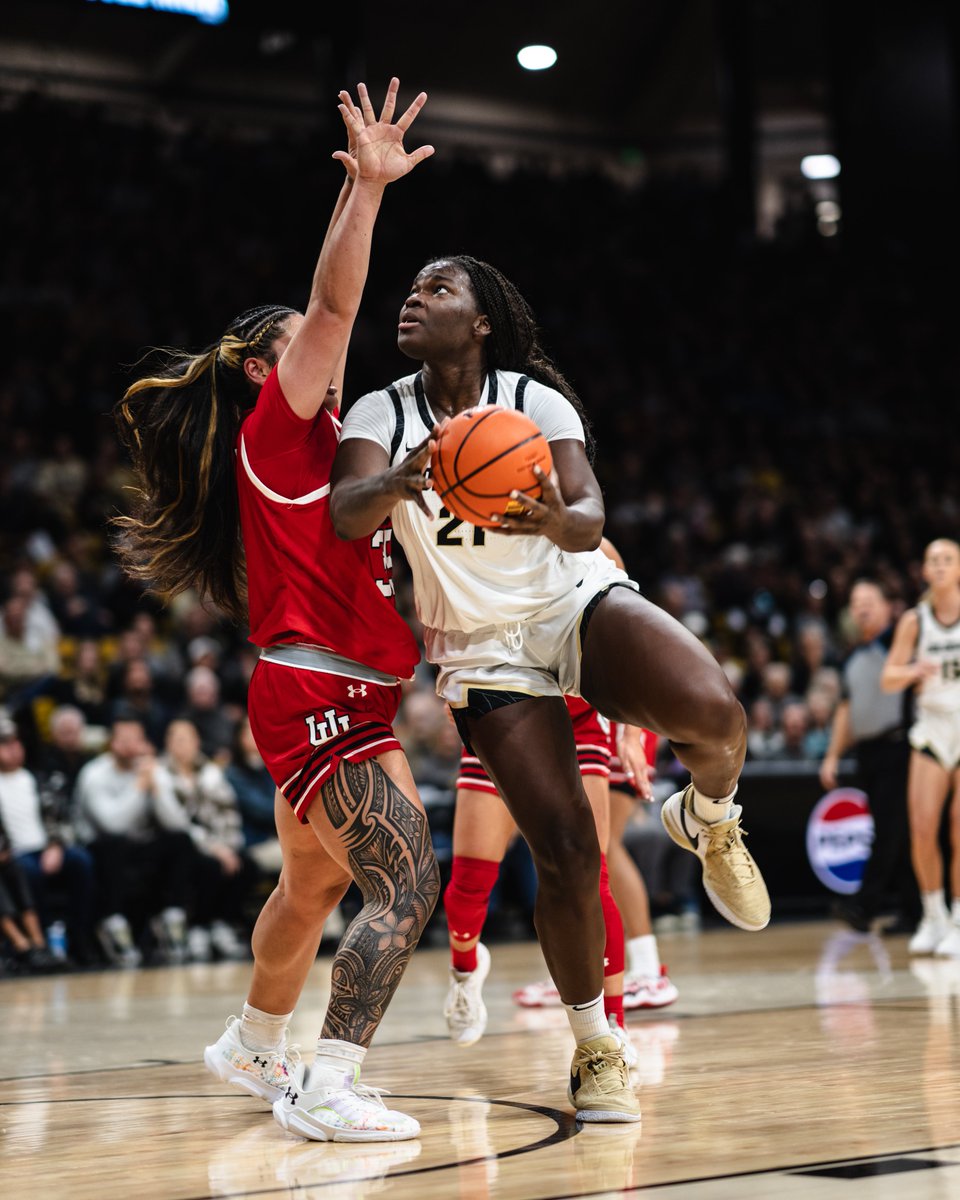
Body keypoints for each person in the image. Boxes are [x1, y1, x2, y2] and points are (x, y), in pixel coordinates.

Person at [331, 254, 770, 1122]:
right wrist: (400, 478)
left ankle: (709, 819)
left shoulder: (536, 401)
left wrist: (550, 520)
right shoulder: (383, 409)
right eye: (412, 290)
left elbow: (590, 517)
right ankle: (597, 1048)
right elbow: (345, 511)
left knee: (718, 713)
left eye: (437, 289)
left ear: (483, 318)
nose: (414, 300)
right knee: (568, 852)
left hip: (568, 603)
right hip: (483, 651)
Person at [113, 79, 437, 1142]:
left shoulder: (344, 452)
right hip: (319, 694)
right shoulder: (280, 426)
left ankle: (253, 1041)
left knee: (308, 895)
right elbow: (337, 308)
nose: (327, 353)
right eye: (300, 346)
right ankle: (323, 1080)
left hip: (339, 691)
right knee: (405, 880)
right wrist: (368, 192)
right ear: (267, 368)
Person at [820, 579, 918, 934]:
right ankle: (914, 912)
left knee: (890, 830)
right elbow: (847, 710)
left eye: (868, 601)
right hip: (868, 752)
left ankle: (864, 906)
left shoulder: (900, 643)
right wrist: (832, 756)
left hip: (900, 747)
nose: (861, 608)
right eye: (855, 602)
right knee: (898, 833)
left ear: (886, 606)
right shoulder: (852, 655)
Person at [881, 539, 960, 955]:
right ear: (925, 572)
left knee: (959, 827)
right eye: (934, 561)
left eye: (948, 560)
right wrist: (914, 670)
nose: (941, 566)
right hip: (931, 726)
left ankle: (959, 919)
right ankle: (933, 916)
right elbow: (888, 677)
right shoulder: (916, 619)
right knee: (923, 828)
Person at [74, 717, 198, 966]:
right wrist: (139, 786)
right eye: (124, 740)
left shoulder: (152, 769)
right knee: (113, 844)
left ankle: (172, 919)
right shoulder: (94, 774)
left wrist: (156, 787)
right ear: (112, 744)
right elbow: (112, 825)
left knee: (181, 841)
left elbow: (177, 823)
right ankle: (113, 924)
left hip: (141, 846)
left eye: (136, 739)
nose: (131, 746)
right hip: (101, 848)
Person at [157, 718, 258, 961]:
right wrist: (215, 848)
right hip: (182, 846)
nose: (182, 745)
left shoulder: (211, 772)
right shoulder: (160, 775)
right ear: (167, 743)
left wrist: (230, 846)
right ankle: (198, 926)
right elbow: (176, 821)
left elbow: (228, 811)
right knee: (207, 866)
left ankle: (221, 922)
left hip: (219, 842)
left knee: (248, 864)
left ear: (197, 742)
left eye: (187, 739)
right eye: (176, 739)